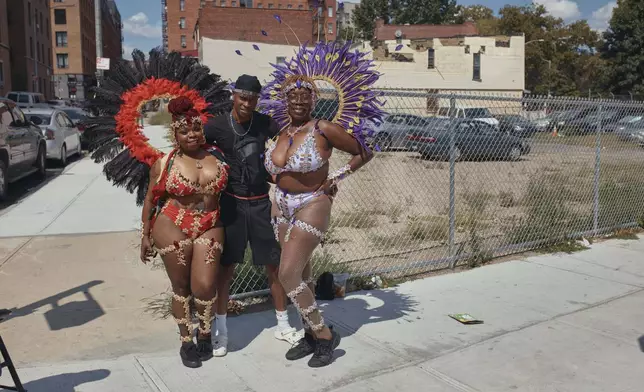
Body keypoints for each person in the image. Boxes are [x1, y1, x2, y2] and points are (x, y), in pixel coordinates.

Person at [259, 41, 385, 368]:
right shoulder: (282, 133)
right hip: (281, 206)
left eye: (305, 97)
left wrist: (337, 177)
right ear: (285, 100)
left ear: (314, 100)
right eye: (293, 96)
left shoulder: (324, 129)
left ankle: (325, 335)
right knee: (302, 273)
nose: (299, 101)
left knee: (287, 275)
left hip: (313, 203)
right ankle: (309, 333)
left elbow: (364, 152)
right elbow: (275, 172)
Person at [204, 74, 299, 357]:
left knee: (274, 265)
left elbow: (288, 140)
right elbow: (196, 147)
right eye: (243, 98)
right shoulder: (218, 125)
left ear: (258, 100)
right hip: (231, 205)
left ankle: (282, 324)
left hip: (260, 204)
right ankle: (220, 331)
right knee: (226, 269)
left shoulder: (265, 123)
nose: (247, 104)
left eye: (253, 99)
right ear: (234, 95)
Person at [139, 96, 229, 368]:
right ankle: (186, 341)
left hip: (210, 222)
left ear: (202, 129)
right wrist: (145, 234)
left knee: (204, 285)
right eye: (184, 130)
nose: (191, 134)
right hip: (172, 223)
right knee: (181, 288)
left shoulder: (218, 157)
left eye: (195, 128)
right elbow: (150, 199)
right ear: (174, 133)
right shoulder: (164, 163)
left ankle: (204, 333)